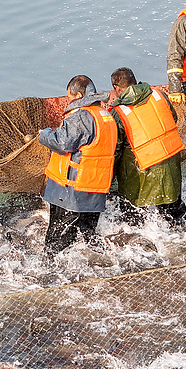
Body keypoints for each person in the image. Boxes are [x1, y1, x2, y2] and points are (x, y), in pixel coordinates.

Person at [39, 75, 118, 256]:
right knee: (86, 237)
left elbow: (63, 143)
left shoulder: (82, 116)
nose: (69, 101)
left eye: (70, 97)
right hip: (96, 189)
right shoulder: (105, 116)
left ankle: (51, 272)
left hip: (71, 191)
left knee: (57, 241)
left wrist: (44, 134)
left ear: (79, 95)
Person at [108, 67, 186, 226]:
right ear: (135, 81)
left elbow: (115, 148)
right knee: (173, 212)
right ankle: (180, 227)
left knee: (133, 214)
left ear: (116, 88)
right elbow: (173, 117)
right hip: (170, 160)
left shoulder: (119, 111)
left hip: (142, 170)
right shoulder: (159, 94)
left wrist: (110, 176)